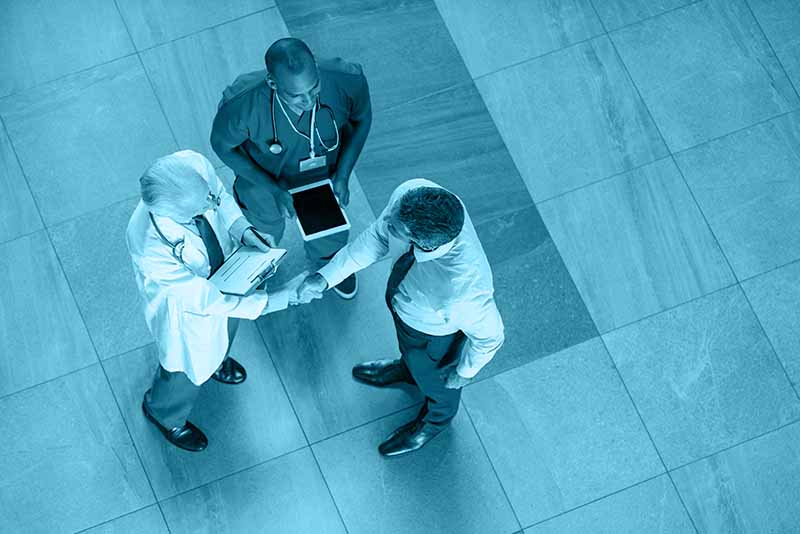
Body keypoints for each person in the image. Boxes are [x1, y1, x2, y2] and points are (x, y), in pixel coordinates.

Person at [126, 150, 316, 452]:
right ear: (174, 215)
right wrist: (278, 299)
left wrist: (243, 229)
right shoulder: (150, 244)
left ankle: (217, 361)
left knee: (225, 331)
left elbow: (221, 198)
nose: (211, 203)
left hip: (227, 276)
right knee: (184, 368)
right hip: (189, 313)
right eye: (203, 207)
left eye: (207, 196)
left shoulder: (192, 166)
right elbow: (206, 300)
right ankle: (164, 413)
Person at [299, 179, 505, 456]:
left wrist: (463, 373)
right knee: (411, 355)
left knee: (438, 382)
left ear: (422, 244)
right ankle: (407, 370)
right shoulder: (411, 194)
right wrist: (325, 278)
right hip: (406, 312)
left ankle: (435, 422)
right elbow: (376, 237)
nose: (387, 222)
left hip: (433, 334)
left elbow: (491, 337)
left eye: (395, 228)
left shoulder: (465, 290)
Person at [211, 37, 372, 300]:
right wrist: (273, 189)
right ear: (273, 84)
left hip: (323, 175)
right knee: (263, 231)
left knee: (328, 228)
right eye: (296, 96)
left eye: (314, 88)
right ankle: (259, 267)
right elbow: (222, 146)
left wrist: (343, 174)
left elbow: (363, 118)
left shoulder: (346, 79)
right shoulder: (241, 105)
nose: (309, 101)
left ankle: (329, 264)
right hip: (263, 182)